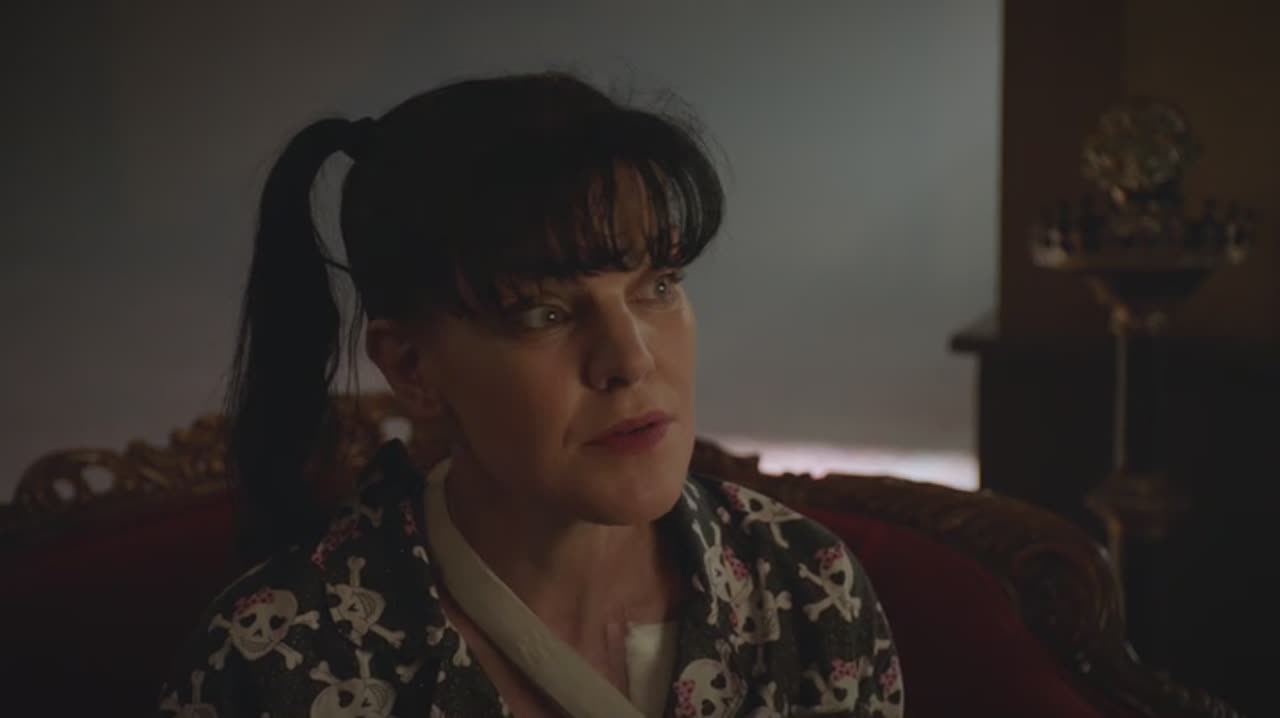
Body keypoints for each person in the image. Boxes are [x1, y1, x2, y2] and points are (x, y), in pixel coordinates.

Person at [157, 72, 903, 718]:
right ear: (414, 368)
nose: (630, 360)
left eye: (658, 287)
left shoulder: (806, 589)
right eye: (544, 314)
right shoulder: (280, 657)